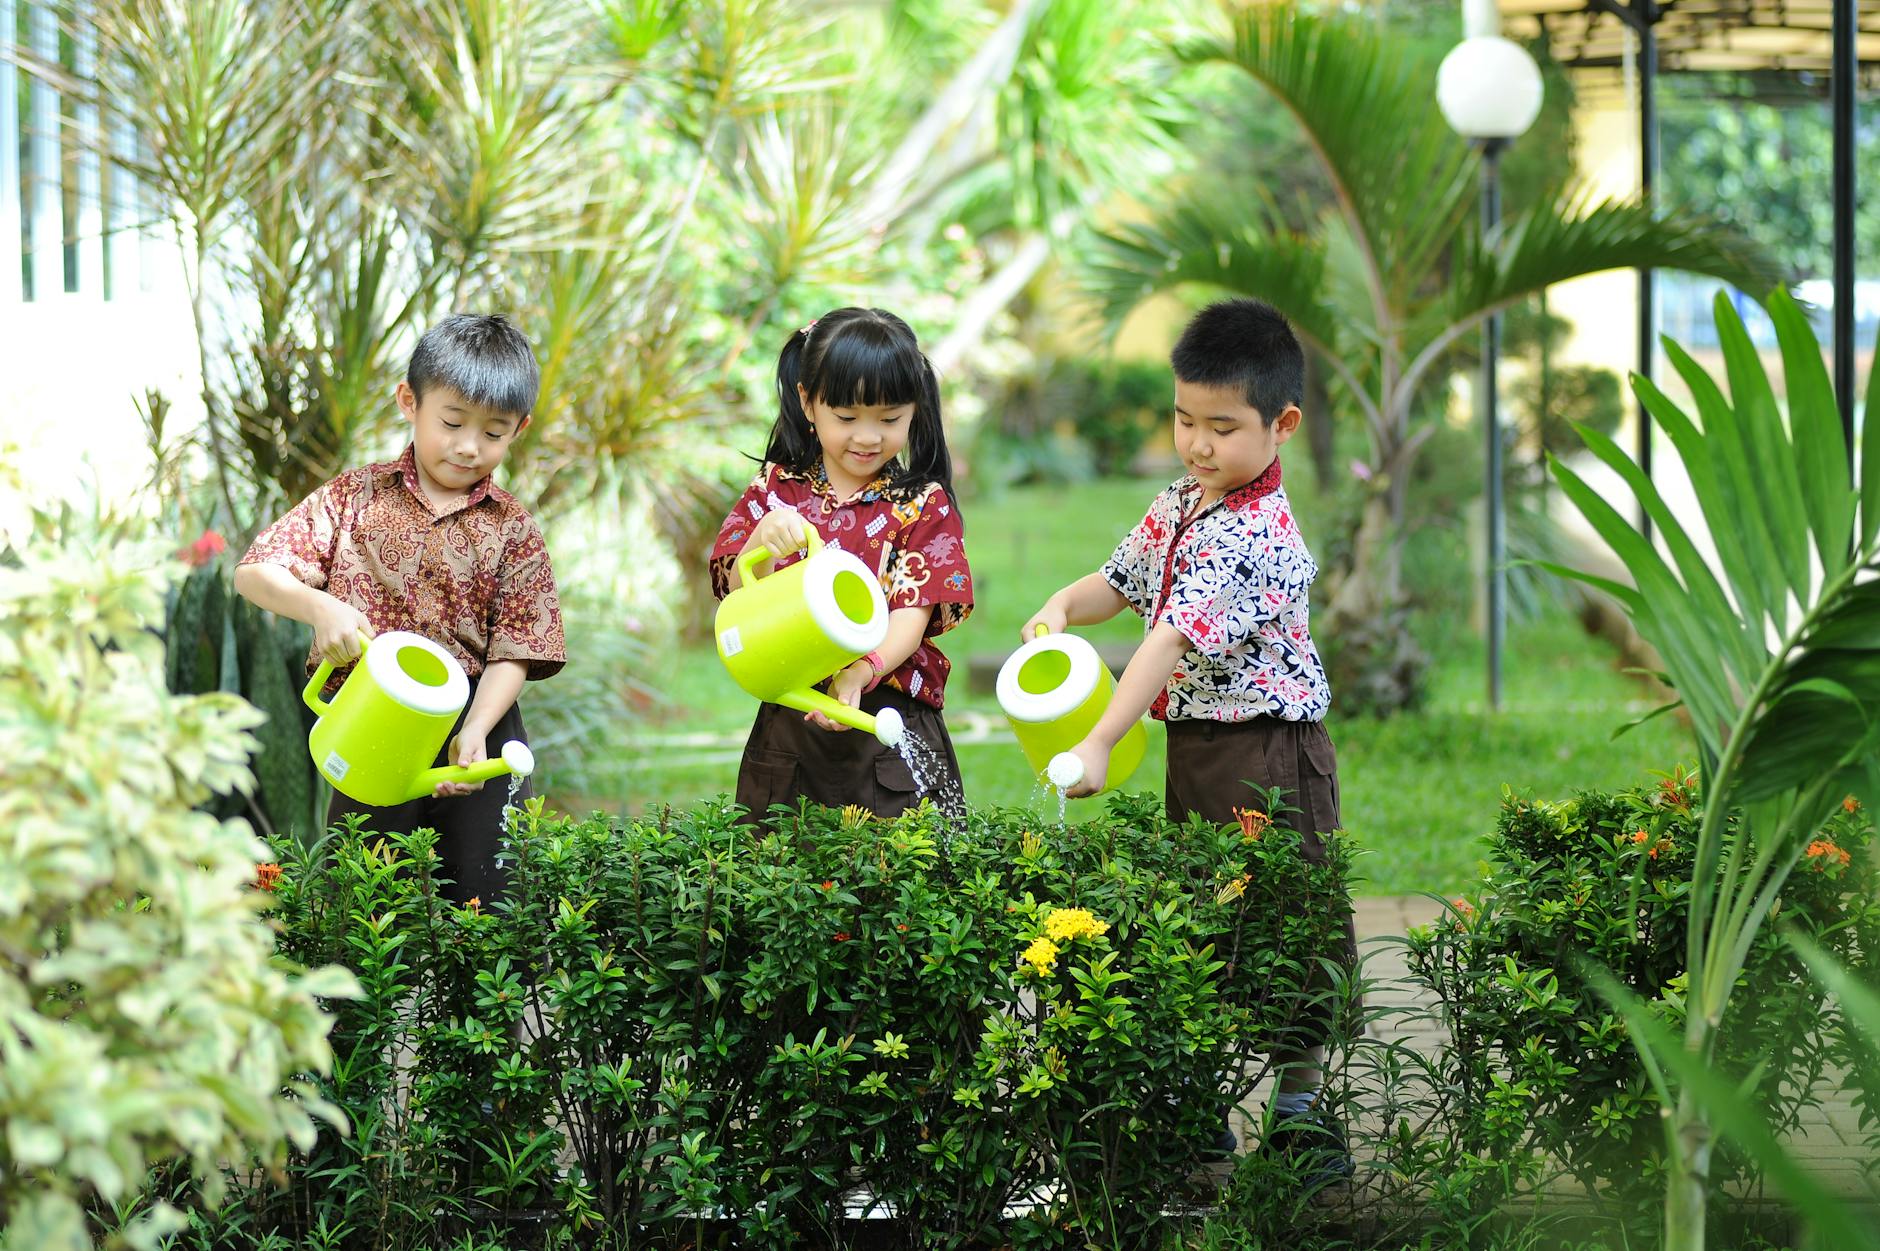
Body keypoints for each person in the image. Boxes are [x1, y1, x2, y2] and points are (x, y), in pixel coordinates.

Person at [1021, 297, 1356, 1166]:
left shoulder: (1257, 534)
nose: (1198, 443)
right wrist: (1064, 604)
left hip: (1271, 753)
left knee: (1287, 925)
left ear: (1281, 425)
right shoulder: (1183, 499)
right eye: (1183, 419)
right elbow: (1123, 582)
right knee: (1201, 921)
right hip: (1201, 748)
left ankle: (1303, 1108)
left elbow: (1165, 637)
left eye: (1221, 426)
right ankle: (1193, 1099)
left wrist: (1097, 740)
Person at [235, 313, 565, 904]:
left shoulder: (514, 528)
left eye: (494, 433)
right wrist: (320, 609)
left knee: (484, 903)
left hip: (475, 723)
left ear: (520, 428)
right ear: (408, 401)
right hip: (373, 720)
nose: (469, 446)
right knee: (365, 907)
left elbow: (517, 650)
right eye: (452, 422)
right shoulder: (353, 497)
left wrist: (477, 728)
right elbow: (256, 572)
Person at [709, 307, 972, 823]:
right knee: (779, 876)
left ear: (915, 409)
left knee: (900, 881)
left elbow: (911, 616)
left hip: (889, 720)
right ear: (808, 402)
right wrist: (757, 544)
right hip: (791, 719)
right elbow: (740, 596)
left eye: (890, 419)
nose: (868, 437)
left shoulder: (921, 504)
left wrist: (861, 670)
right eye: (847, 418)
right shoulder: (774, 492)